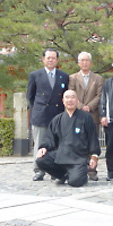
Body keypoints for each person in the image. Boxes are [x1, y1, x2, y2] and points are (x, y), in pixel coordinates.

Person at [36, 90, 101, 187]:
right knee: (41, 160)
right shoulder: (57, 119)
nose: (70, 100)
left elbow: (93, 138)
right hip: (61, 155)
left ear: (77, 100)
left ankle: (80, 173)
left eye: (73, 97)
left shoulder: (86, 118)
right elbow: (49, 137)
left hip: (78, 157)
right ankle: (62, 175)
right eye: (67, 97)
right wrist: (43, 147)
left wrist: (94, 156)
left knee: (75, 182)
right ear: (63, 101)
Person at [27, 48, 69, 181]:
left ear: (57, 60)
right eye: (48, 57)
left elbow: (65, 97)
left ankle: (54, 170)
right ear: (43, 59)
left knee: (56, 144)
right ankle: (39, 170)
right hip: (41, 114)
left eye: (53, 58)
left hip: (57, 115)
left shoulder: (64, 76)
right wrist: (39, 109)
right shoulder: (35, 75)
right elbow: (30, 96)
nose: (50, 60)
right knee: (40, 143)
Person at [69, 52, 104, 181]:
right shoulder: (72, 78)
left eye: (87, 60)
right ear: (78, 62)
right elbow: (71, 93)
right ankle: (78, 168)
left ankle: (92, 170)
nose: (85, 63)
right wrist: (81, 106)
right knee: (77, 143)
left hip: (93, 115)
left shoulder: (98, 78)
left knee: (93, 143)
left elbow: (100, 96)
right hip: (76, 115)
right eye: (82, 60)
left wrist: (89, 107)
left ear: (91, 62)